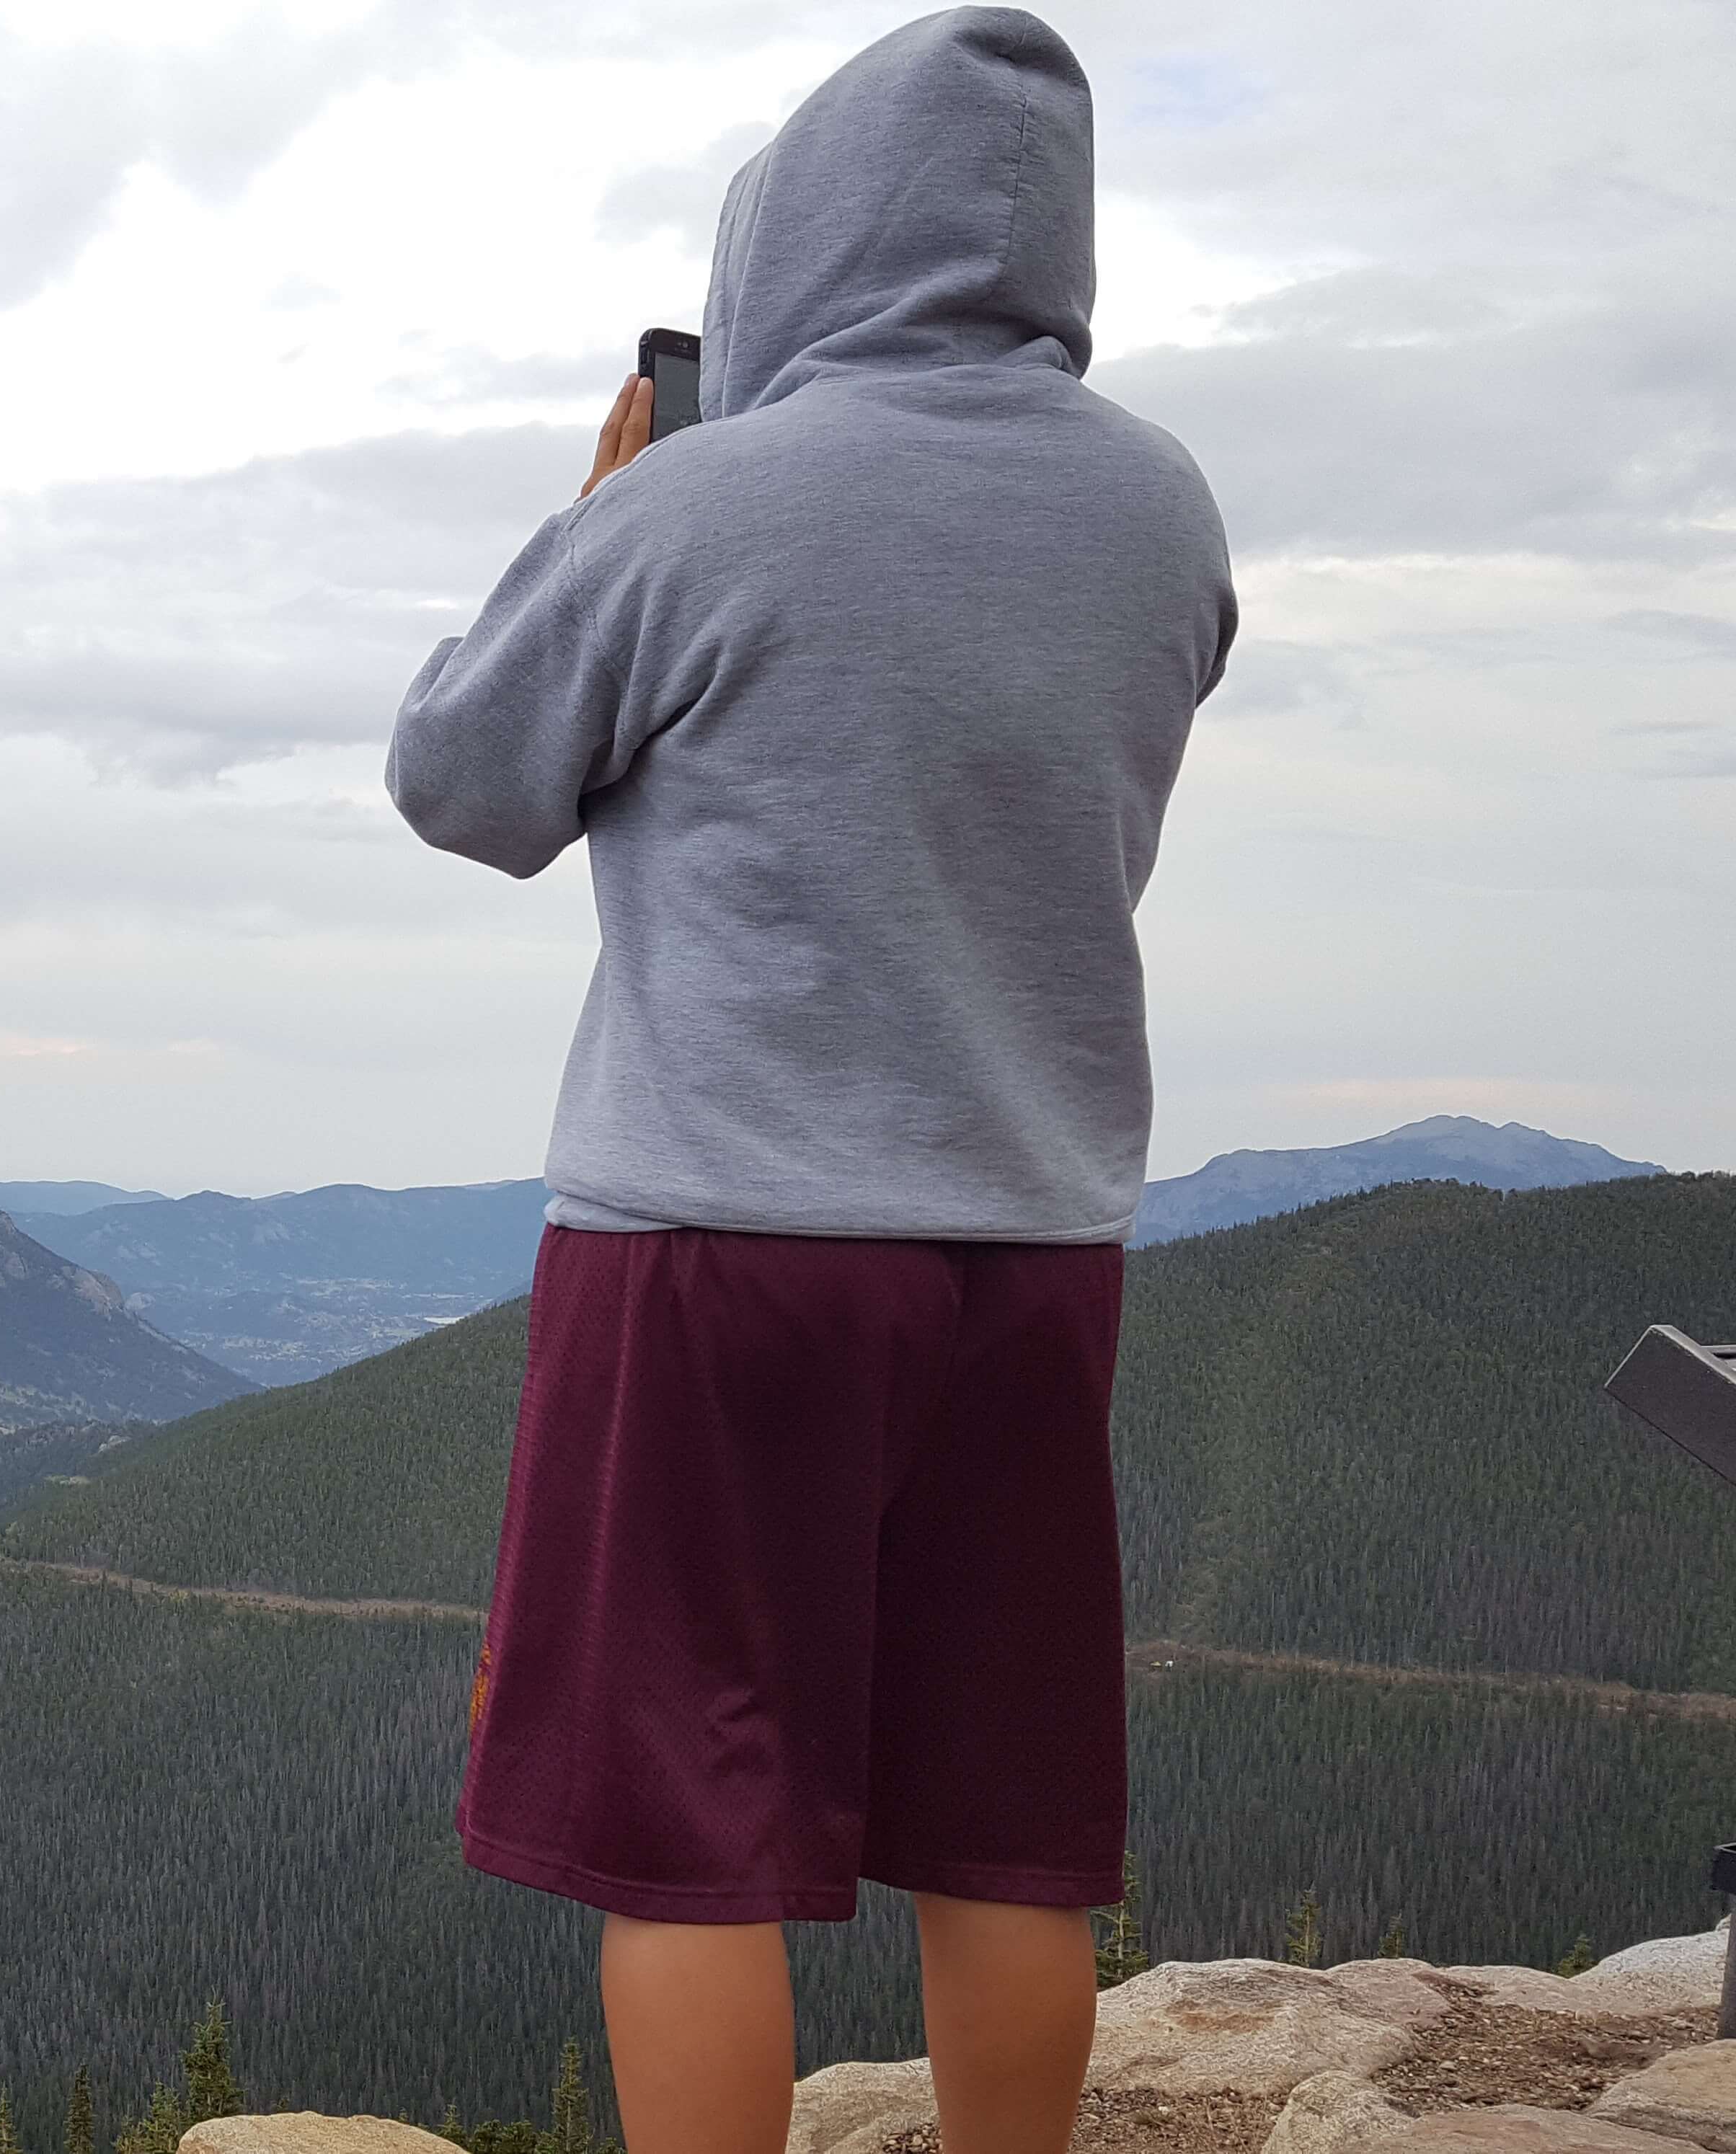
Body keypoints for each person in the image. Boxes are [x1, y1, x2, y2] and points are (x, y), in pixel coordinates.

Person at [382, 13, 1236, 2154]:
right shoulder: (1160, 507)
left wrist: (606, 508)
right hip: (1033, 1242)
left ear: (806, 238)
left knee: (686, 1823)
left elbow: (461, 782)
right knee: (1008, 1819)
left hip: (714, 1244)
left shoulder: (703, 501)